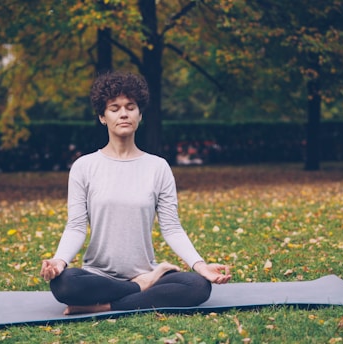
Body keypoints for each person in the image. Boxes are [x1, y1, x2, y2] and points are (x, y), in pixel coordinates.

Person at [40, 71, 231, 315]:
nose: (123, 113)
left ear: (139, 115)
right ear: (102, 116)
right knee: (64, 283)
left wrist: (200, 265)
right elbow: (76, 226)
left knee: (197, 286)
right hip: (98, 276)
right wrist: (59, 261)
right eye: (114, 108)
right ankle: (139, 289)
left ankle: (110, 304)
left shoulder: (158, 167)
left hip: (145, 271)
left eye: (131, 107)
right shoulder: (84, 167)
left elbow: (171, 227)